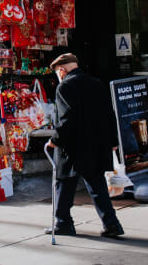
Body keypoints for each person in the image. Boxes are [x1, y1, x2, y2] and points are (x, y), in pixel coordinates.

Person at [45, 53, 124, 238]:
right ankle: (112, 225)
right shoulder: (96, 83)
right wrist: (113, 141)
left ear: (62, 70)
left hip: (73, 147)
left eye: (58, 72)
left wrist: (55, 140)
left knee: (64, 184)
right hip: (95, 145)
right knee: (97, 187)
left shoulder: (65, 86)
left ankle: (63, 223)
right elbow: (109, 114)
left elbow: (66, 119)